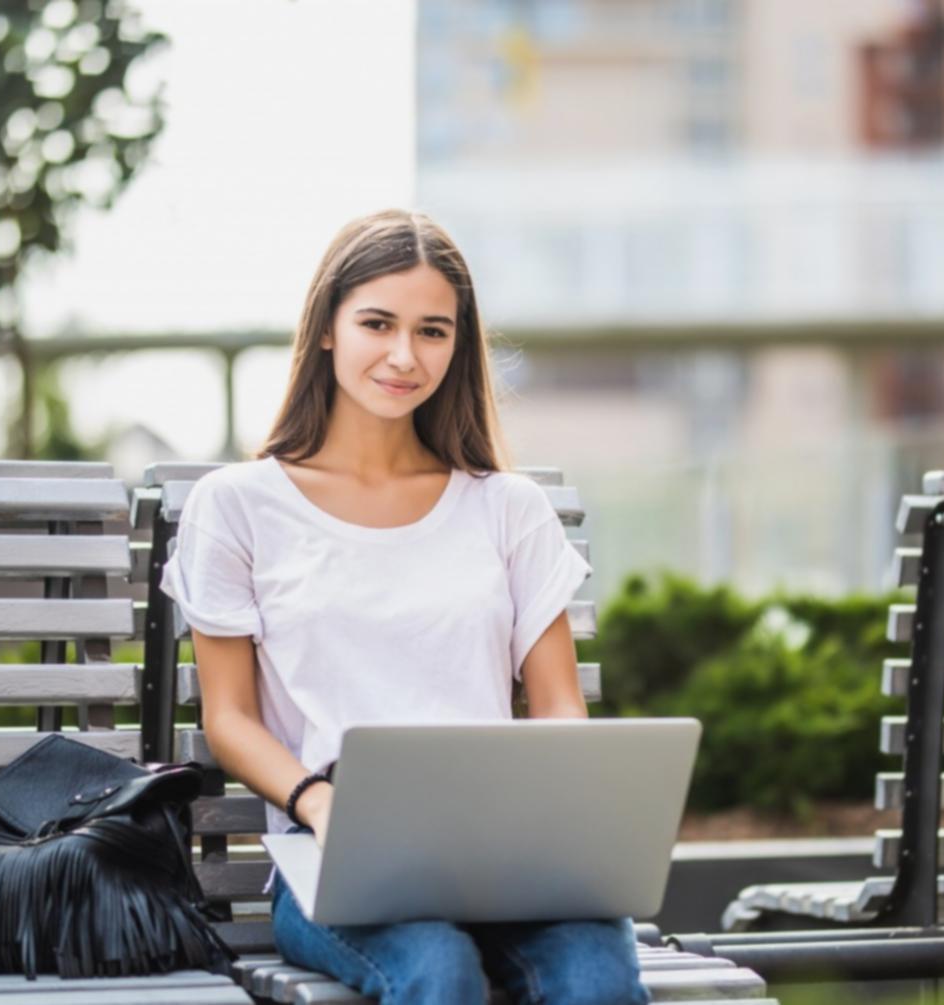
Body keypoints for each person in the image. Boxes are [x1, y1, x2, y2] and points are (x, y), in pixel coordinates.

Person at [159, 209, 649, 1005]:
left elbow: (558, 702)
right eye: (377, 323)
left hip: (511, 857)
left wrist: (568, 824)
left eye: (432, 331)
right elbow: (231, 717)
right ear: (327, 327)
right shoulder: (239, 505)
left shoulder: (507, 508)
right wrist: (319, 802)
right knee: (439, 970)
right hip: (337, 863)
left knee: (596, 973)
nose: (403, 355)